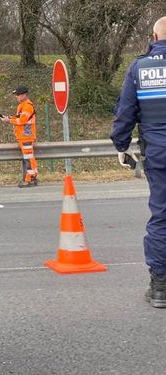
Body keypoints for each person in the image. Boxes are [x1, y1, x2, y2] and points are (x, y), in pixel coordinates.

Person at [111, 16, 166, 308]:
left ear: (153, 36)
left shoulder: (140, 67)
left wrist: (121, 145)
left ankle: (160, 287)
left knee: (162, 218)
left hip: (159, 154)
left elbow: (125, 112)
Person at [0, 86, 38, 187]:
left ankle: (29, 179)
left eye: (17, 95)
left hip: (26, 136)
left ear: (24, 95)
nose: (16, 97)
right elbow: (18, 118)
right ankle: (33, 177)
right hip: (24, 136)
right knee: (29, 158)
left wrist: (9, 121)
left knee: (28, 158)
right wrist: (9, 118)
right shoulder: (22, 105)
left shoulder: (27, 106)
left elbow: (22, 121)